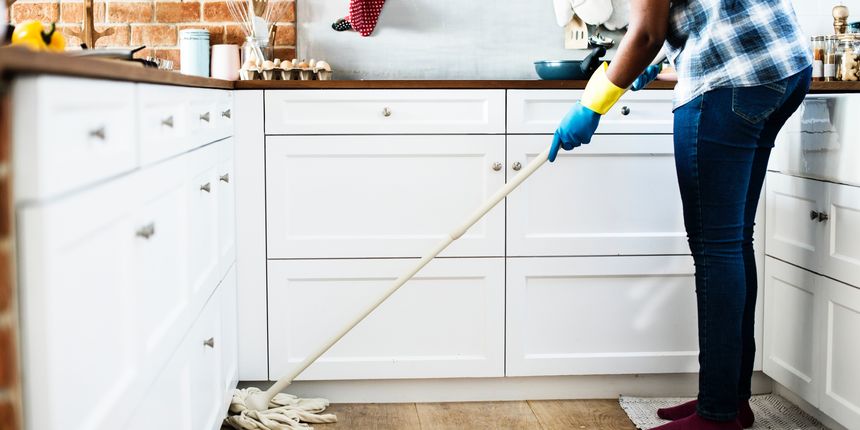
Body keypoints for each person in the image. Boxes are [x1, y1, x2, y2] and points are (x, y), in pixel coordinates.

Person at [549, 1, 813, 429]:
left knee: (717, 247)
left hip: (731, 80)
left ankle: (717, 415)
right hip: (783, 68)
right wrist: (662, 62)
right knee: (733, 241)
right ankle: (729, 399)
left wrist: (592, 103)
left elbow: (645, 33)